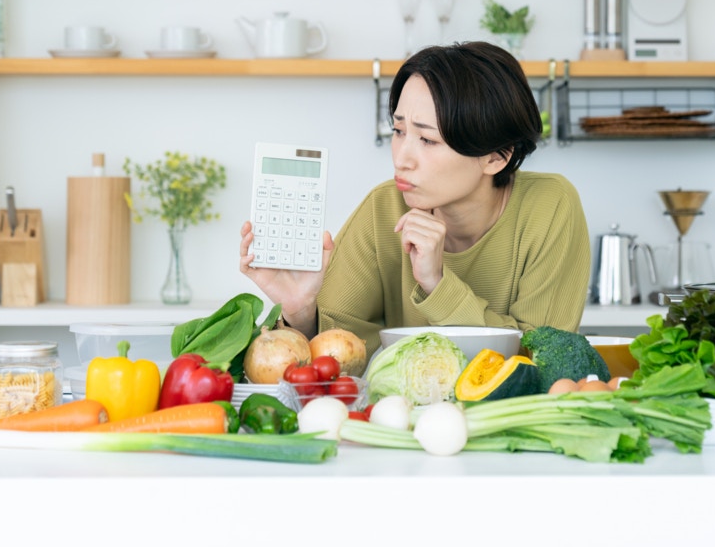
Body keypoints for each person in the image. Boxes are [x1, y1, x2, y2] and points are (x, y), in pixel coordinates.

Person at [239, 41, 591, 356]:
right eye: (399, 131)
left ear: (496, 157)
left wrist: (438, 284)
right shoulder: (384, 208)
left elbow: (543, 357)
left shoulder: (550, 206)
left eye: (427, 140)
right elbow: (337, 355)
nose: (401, 158)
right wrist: (301, 312)